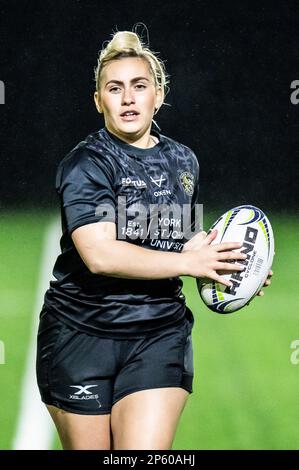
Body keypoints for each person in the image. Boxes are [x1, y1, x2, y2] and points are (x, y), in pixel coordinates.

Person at [36, 28, 272, 450]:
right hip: (79, 335)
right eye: (115, 88)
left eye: (139, 86)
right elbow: (100, 255)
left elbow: (184, 239)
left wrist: (230, 264)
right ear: (98, 101)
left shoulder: (183, 159)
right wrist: (189, 264)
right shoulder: (86, 164)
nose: (128, 98)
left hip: (159, 334)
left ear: (158, 95)